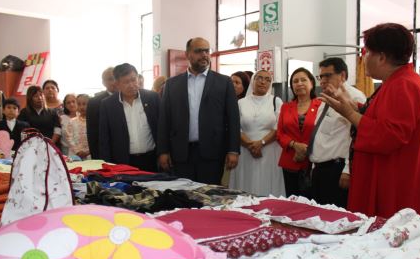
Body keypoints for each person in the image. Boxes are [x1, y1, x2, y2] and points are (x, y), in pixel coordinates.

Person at [320, 23, 420, 222]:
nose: (364, 59)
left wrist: (349, 113)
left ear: (382, 57)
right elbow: (381, 117)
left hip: (395, 184)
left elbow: (389, 135)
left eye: (367, 53)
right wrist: (354, 106)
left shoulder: (403, 85)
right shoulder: (397, 81)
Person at [157, 37, 240, 185]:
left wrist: (233, 150)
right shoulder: (171, 85)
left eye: (206, 51)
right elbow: (165, 119)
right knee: (183, 196)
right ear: (188, 54)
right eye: (198, 51)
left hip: (212, 153)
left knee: (210, 197)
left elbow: (233, 118)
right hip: (181, 154)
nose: (204, 55)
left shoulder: (223, 82)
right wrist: (163, 151)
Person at [309, 58, 366, 208]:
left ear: (342, 75)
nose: (323, 80)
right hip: (320, 169)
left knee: (334, 220)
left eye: (328, 75)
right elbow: (320, 134)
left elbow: (355, 137)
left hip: (337, 170)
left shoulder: (355, 97)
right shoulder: (325, 97)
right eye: (321, 76)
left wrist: (347, 170)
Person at [229, 70, 285, 196]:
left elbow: (279, 127)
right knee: (245, 185)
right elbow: (235, 128)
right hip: (245, 151)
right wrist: (251, 145)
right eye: (259, 78)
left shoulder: (276, 101)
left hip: (269, 152)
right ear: (253, 81)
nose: (263, 82)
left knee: (267, 186)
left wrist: (262, 143)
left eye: (267, 79)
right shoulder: (241, 103)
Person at [99, 63, 160, 172]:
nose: (132, 85)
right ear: (117, 84)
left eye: (133, 79)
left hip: (151, 159)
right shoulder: (108, 105)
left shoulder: (152, 98)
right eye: (126, 82)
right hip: (124, 162)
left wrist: (163, 153)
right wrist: (107, 164)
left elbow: (162, 128)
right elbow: (104, 138)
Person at [277, 67, 321, 197]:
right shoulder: (286, 107)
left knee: (312, 201)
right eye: (295, 81)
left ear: (312, 83)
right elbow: (280, 133)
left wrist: (304, 149)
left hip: (313, 161)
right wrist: (294, 145)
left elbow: (323, 132)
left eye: (303, 80)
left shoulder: (321, 105)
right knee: (292, 199)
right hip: (290, 160)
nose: (299, 83)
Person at [86, 67, 116, 159]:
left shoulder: (128, 98)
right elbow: (92, 133)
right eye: (110, 79)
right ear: (103, 82)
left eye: (116, 78)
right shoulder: (94, 102)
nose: (114, 82)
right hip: (105, 152)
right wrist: (96, 156)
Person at [66, 94, 90, 159]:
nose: (82, 107)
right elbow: (69, 138)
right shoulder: (72, 121)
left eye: (84, 104)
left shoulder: (93, 121)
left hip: (89, 154)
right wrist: (77, 151)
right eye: (79, 104)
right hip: (75, 154)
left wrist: (88, 152)